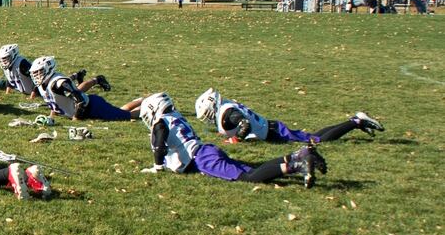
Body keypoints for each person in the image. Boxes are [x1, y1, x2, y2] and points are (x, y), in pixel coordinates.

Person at [138, 92, 328, 187]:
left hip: (202, 158)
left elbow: (160, 142)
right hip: (207, 150)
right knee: (254, 169)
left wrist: (157, 167)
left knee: (249, 177)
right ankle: (299, 154)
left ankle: (299, 165)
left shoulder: (160, 123)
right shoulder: (176, 116)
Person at [194, 88, 384, 144]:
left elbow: (244, 125)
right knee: (313, 136)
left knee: (317, 139)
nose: (208, 118)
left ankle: (356, 121)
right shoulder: (226, 108)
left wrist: (236, 139)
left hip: (274, 131)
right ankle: (355, 122)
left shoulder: (228, 113)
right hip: (271, 128)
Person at [29, 56, 141, 121]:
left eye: (40, 72)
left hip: (93, 107)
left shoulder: (59, 83)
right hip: (88, 108)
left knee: (127, 116)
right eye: (35, 73)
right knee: (122, 111)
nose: (37, 76)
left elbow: (81, 101)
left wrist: (76, 119)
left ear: (49, 69)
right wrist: (52, 115)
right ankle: (141, 101)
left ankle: (149, 104)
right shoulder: (44, 84)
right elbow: (55, 100)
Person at [0, 44, 108, 98]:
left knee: (71, 94)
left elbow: (36, 78)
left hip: (39, 89)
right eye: (2, 59)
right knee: (62, 85)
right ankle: (76, 75)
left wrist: (33, 96)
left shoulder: (22, 64)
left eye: (5, 58)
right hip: (38, 88)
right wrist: (8, 92)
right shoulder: (11, 65)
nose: (4, 62)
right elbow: (10, 78)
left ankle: (97, 79)